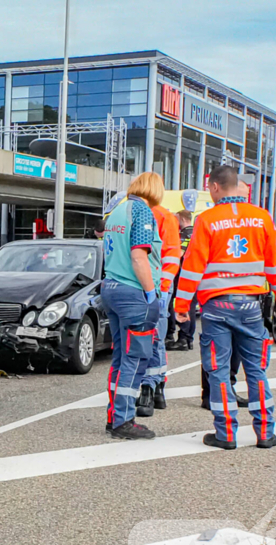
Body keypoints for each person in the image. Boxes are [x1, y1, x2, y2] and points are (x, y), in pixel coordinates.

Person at [174, 165, 276, 450]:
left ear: (214, 187)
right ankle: (265, 433)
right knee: (256, 370)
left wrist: (181, 305)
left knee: (218, 370)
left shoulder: (207, 220)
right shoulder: (262, 218)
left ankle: (225, 434)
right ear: (236, 185)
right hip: (251, 306)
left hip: (216, 307)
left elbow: (192, 267)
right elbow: (275, 263)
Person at [100, 172, 165, 440]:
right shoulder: (142, 212)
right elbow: (139, 257)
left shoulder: (117, 211)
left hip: (111, 288)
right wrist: (151, 293)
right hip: (133, 293)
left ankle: (113, 415)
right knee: (135, 358)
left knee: (119, 357)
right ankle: (124, 420)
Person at [137, 202, 182, 417]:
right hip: (151, 283)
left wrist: (162, 288)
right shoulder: (162, 215)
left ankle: (151, 387)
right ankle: (158, 389)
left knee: (153, 337)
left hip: (155, 284)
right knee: (155, 338)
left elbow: (171, 256)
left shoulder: (160, 215)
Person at [167, 212, 196, 351]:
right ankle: (189, 339)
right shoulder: (197, 233)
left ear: (183, 219)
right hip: (197, 275)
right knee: (191, 306)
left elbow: (179, 254)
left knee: (178, 305)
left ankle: (181, 338)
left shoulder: (184, 235)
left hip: (183, 275)